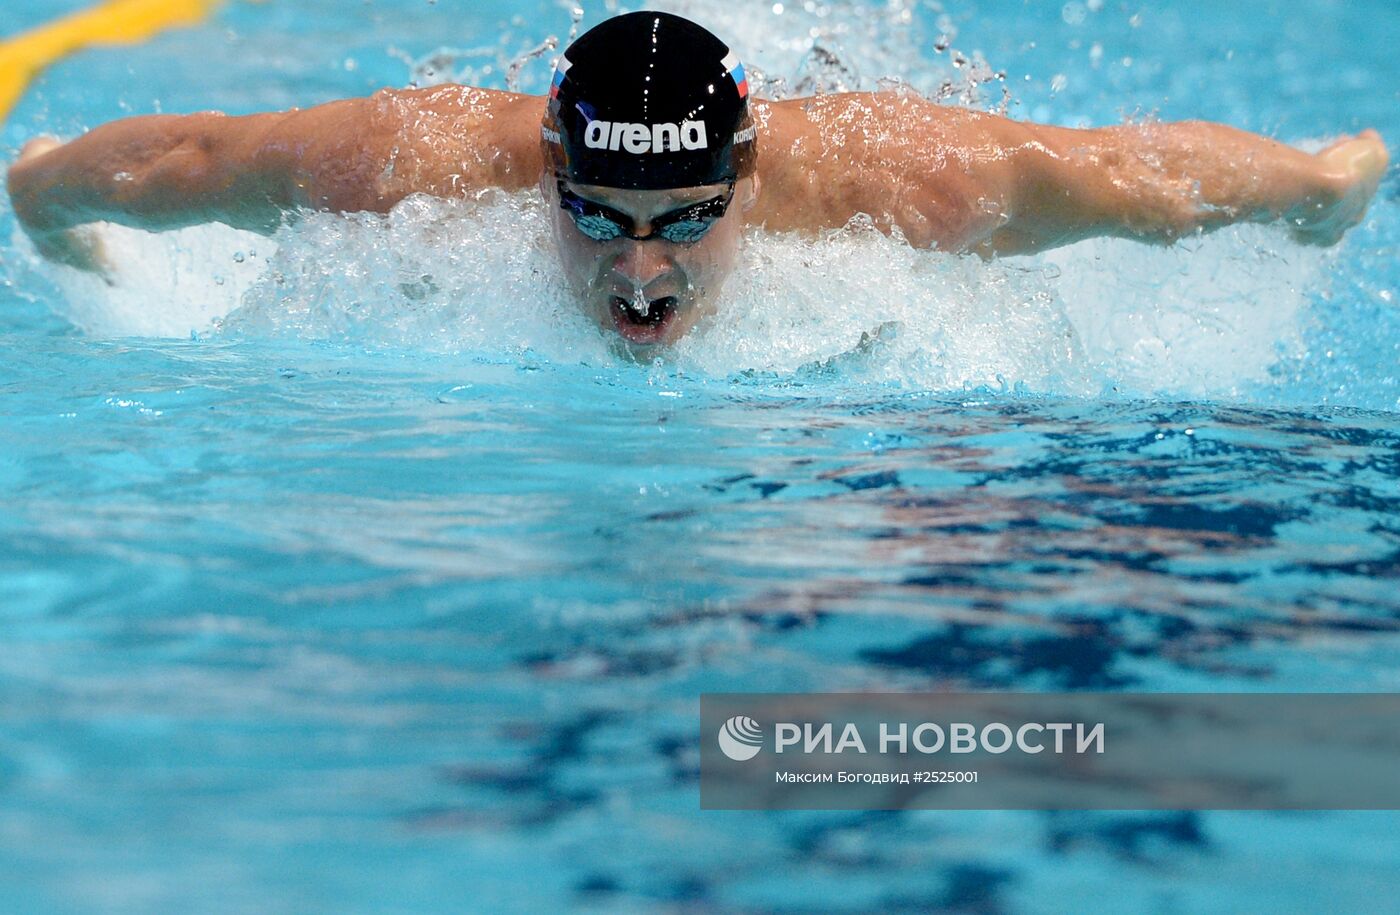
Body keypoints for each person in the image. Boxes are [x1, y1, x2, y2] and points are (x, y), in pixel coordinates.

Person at [5, 11, 1388, 347]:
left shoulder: (904, 191)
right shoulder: (417, 166)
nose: (642, 273)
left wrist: (1325, 182)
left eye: (684, 222)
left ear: (747, 176)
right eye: (596, 216)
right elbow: (197, 158)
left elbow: (1133, 177)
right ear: (549, 162)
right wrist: (51, 202)